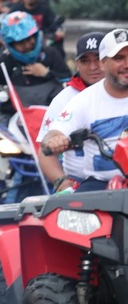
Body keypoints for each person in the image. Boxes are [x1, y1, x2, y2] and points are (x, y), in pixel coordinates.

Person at [41, 29, 128, 191]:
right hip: (98, 184)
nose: (127, 64)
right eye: (119, 58)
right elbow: (52, 135)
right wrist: (55, 141)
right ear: (104, 63)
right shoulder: (80, 100)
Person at [36, 32, 105, 192]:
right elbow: (45, 151)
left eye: (98, 59)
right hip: (81, 186)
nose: (93, 67)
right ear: (76, 64)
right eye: (85, 61)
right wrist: (63, 183)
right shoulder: (65, 99)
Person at [0, 11, 68, 105]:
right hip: (15, 111)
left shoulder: (50, 54)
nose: (27, 45)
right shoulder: (5, 60)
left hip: (49, 109)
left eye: (29, 39)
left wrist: (46, 73)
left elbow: (68, 80)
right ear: (11, 44)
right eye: (20, 42)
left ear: (35, 36)